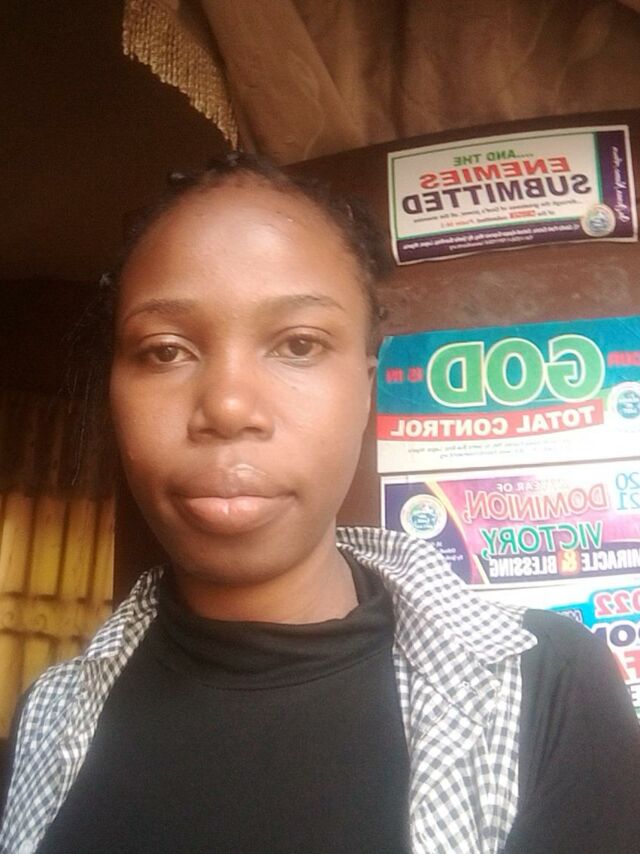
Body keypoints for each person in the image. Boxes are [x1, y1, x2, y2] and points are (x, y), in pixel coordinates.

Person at [1, 154, 639, 854]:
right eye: (165, 351)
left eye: (298, 344)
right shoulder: (49, 716)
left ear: (366, 389)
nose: (228, 407)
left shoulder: (547, 688)